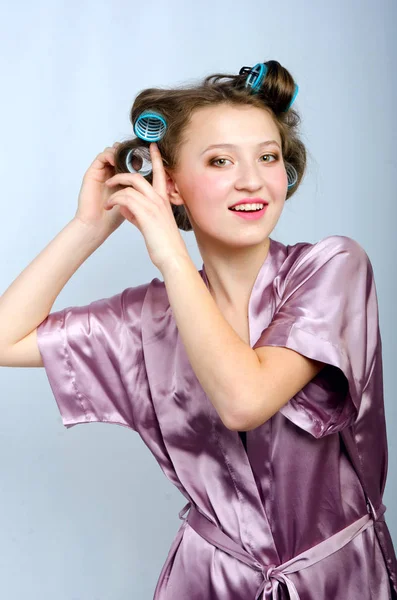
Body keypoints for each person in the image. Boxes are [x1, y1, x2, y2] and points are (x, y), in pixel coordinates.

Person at [0, 60, 396, 599]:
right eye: (219, 161)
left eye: (268, 157)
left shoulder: (334, 269)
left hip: (339, 581)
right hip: (207, 581)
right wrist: (88, 228)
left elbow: (244, 399)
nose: (252, 179)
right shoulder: (147, 318)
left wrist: (171, 255)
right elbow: (4, 340)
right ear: (173, 186)